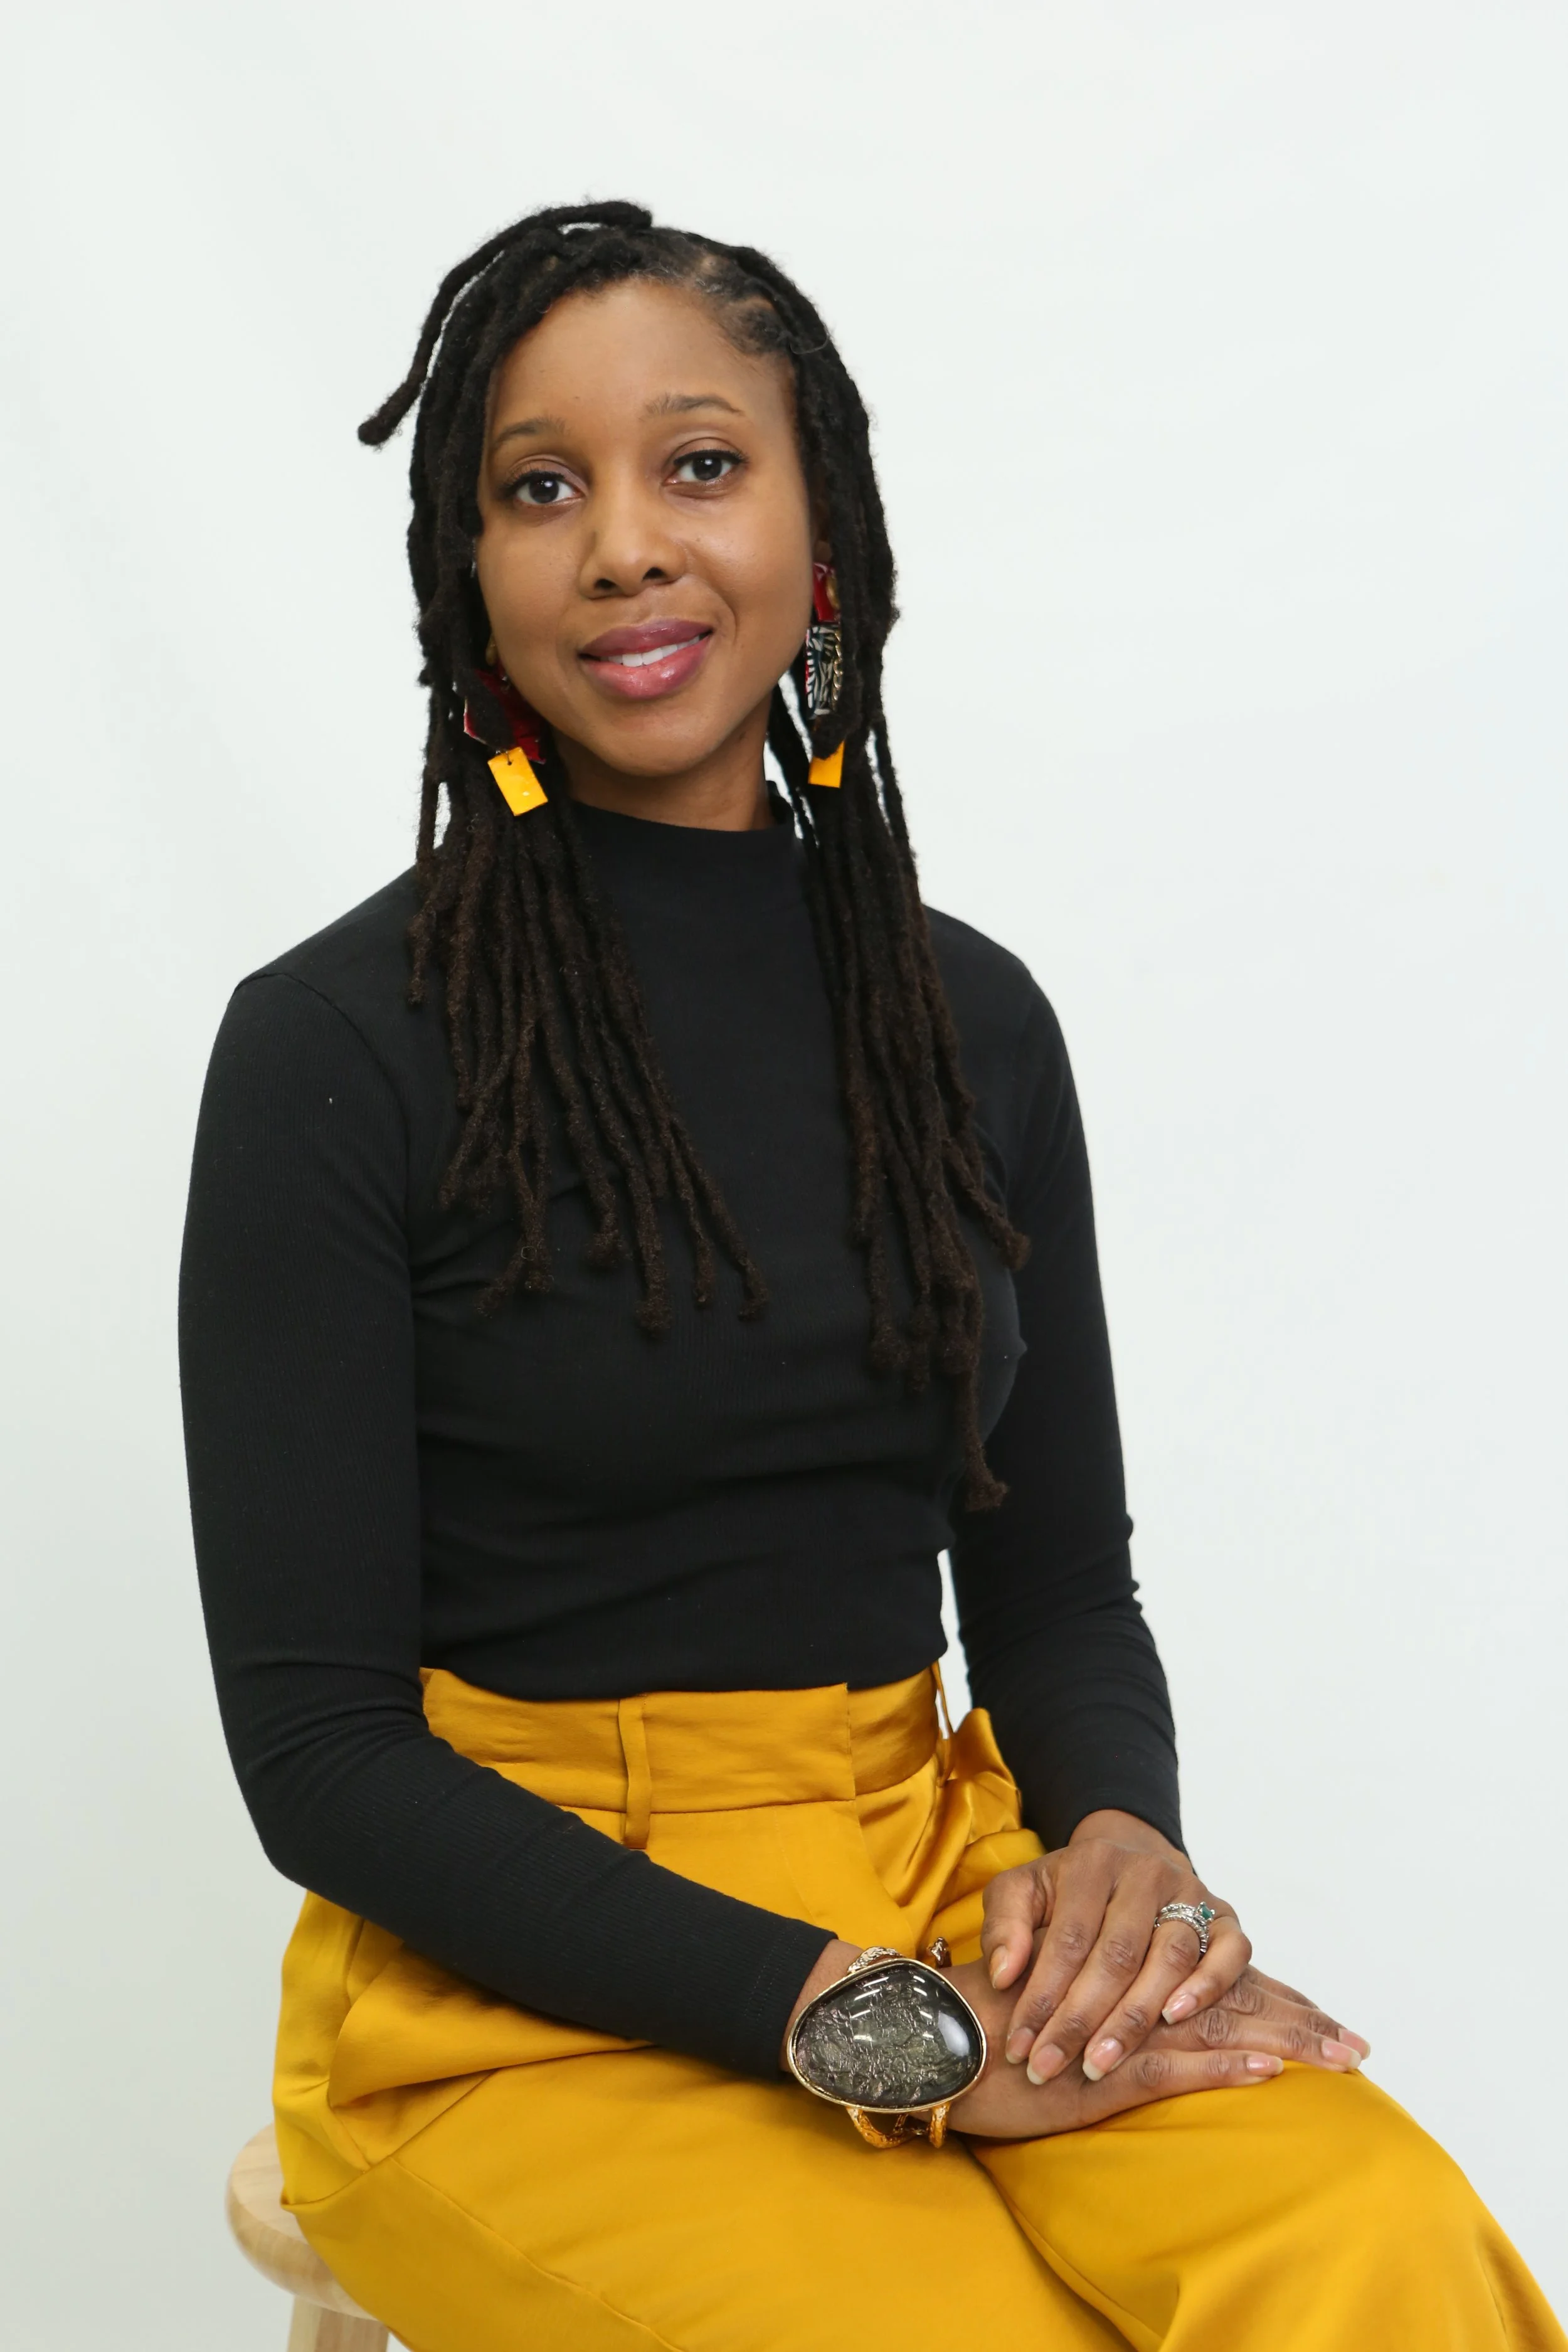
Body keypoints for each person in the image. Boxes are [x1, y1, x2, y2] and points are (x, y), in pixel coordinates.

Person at [180, 201, 1563, 2351]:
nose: (626, 543)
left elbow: (1055, 1586)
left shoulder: (967, 1024)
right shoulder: (336, 1043)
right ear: (471, 577)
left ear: (823, 528)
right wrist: (859, 2026)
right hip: (527, 1981)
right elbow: (322, 1748)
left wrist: (1118, 1855)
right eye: (540, 487)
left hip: (939, 1866)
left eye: (700, 463)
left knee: (1377, 2258)